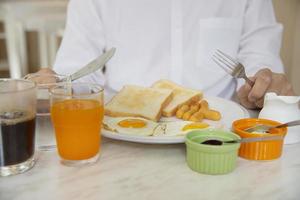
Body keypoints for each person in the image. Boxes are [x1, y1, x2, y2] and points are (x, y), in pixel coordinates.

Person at [38, 0, 295, 109]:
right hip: (122, 137)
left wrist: (263, 83)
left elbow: (258, 52)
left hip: (224, 135)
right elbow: (79, 74)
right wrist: (59, 84)